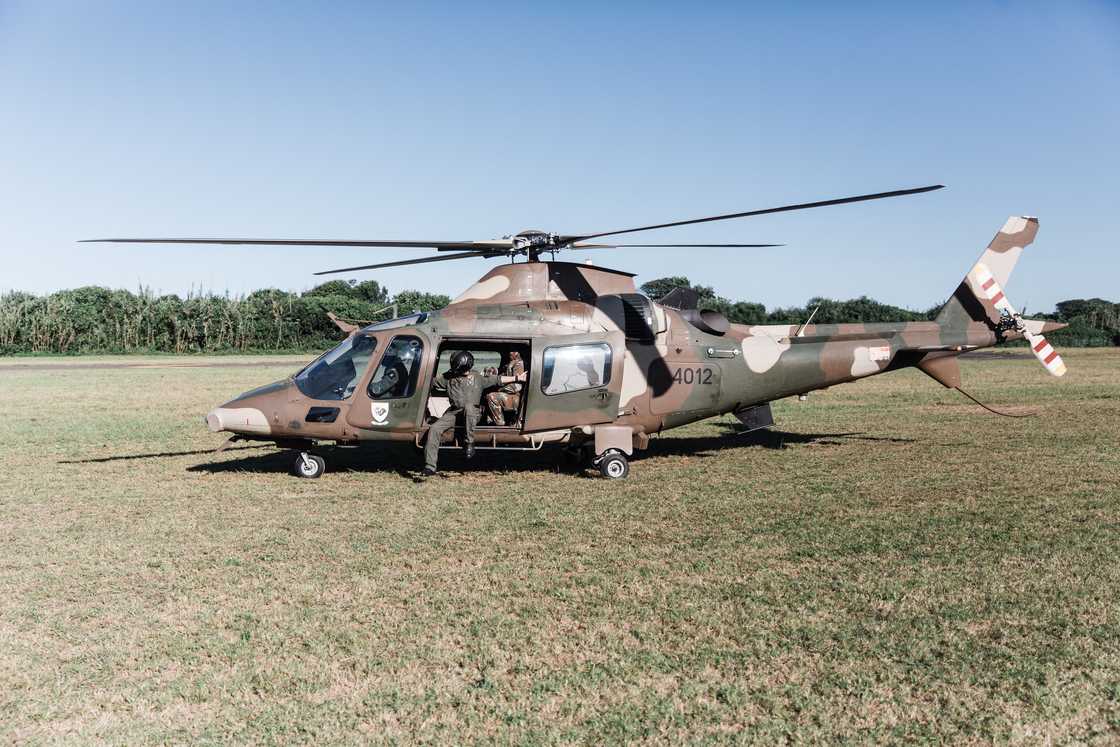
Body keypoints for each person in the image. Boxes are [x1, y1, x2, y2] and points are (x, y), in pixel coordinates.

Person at [422, 351, 526, 476]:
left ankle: (469, 442)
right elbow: (429, 382)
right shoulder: (448, 378)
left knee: (469, 408)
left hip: (474, 413)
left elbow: (498, 380)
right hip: (455, 413)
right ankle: (430, 466)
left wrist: (517, 378)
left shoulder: (478, 378)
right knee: (434, 429)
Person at [485, 350, 525, 426]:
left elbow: (516, 387)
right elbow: (502, 376)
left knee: (492, 397)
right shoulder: (508, 363)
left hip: (516, 397)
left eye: (513, 350)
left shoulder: (518, 364)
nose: (510, 352)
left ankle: (499, 424)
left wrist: (498, 388)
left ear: (517, 353)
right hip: (509, 394)